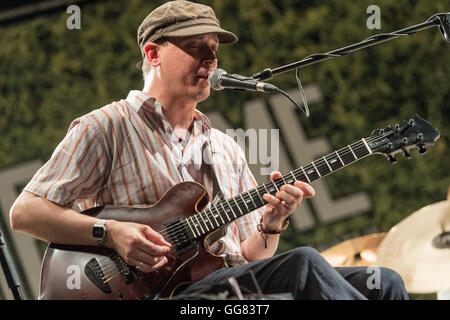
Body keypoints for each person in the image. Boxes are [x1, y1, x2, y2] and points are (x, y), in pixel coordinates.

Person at [9, 0, 408, 300]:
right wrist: (111, 232)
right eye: (195, 47)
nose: (211, 58)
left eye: (214, 49)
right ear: (153, 54)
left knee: (385, 282)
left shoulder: (225, 148)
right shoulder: (105, 127)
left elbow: (250, 260)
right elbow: (25, 213)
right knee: (304, 263)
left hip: (224, 290)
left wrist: (271, 223)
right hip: (162, 295)